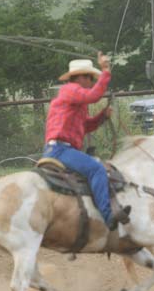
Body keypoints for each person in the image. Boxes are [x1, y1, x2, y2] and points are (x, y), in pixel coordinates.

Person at [43, 52, 128, 230]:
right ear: (80, 77)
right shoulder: (70, 90)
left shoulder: (74, 98)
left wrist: (102, 117)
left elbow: (86, 126)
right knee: (97, 169)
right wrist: (105, 71)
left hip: (60, 149)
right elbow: (94, 96)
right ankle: (108, 216)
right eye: (90, 77)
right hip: (61, 150)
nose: (91, 81)